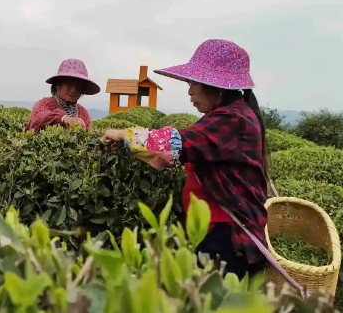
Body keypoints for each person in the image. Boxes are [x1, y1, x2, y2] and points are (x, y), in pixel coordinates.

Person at [101, 39, 268, 279]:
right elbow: (182, 151)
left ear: (216, 87)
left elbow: (177, 141)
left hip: (227, 240)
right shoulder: (224, 115)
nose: (189, 91)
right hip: (211, 231)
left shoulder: (234, 119)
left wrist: (123, 134)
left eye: (193, 83)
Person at [25, 59, 100, 134]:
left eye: (78, 87)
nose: (73, 90)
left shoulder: (83, 113)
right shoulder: (44, 104)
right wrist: (63, 118)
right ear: (58, 84)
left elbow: (88, 135)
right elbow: (38, 118)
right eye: (69, 84)